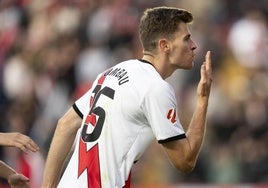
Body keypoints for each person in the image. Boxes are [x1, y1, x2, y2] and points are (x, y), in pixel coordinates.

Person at [42, 6, 212, 188]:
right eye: (186, 38)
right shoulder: (155, 87)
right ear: (164, 45)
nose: (194, 45)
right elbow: (185, 161)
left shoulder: (111, 74)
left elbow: (65, 125)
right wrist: (202, 100)